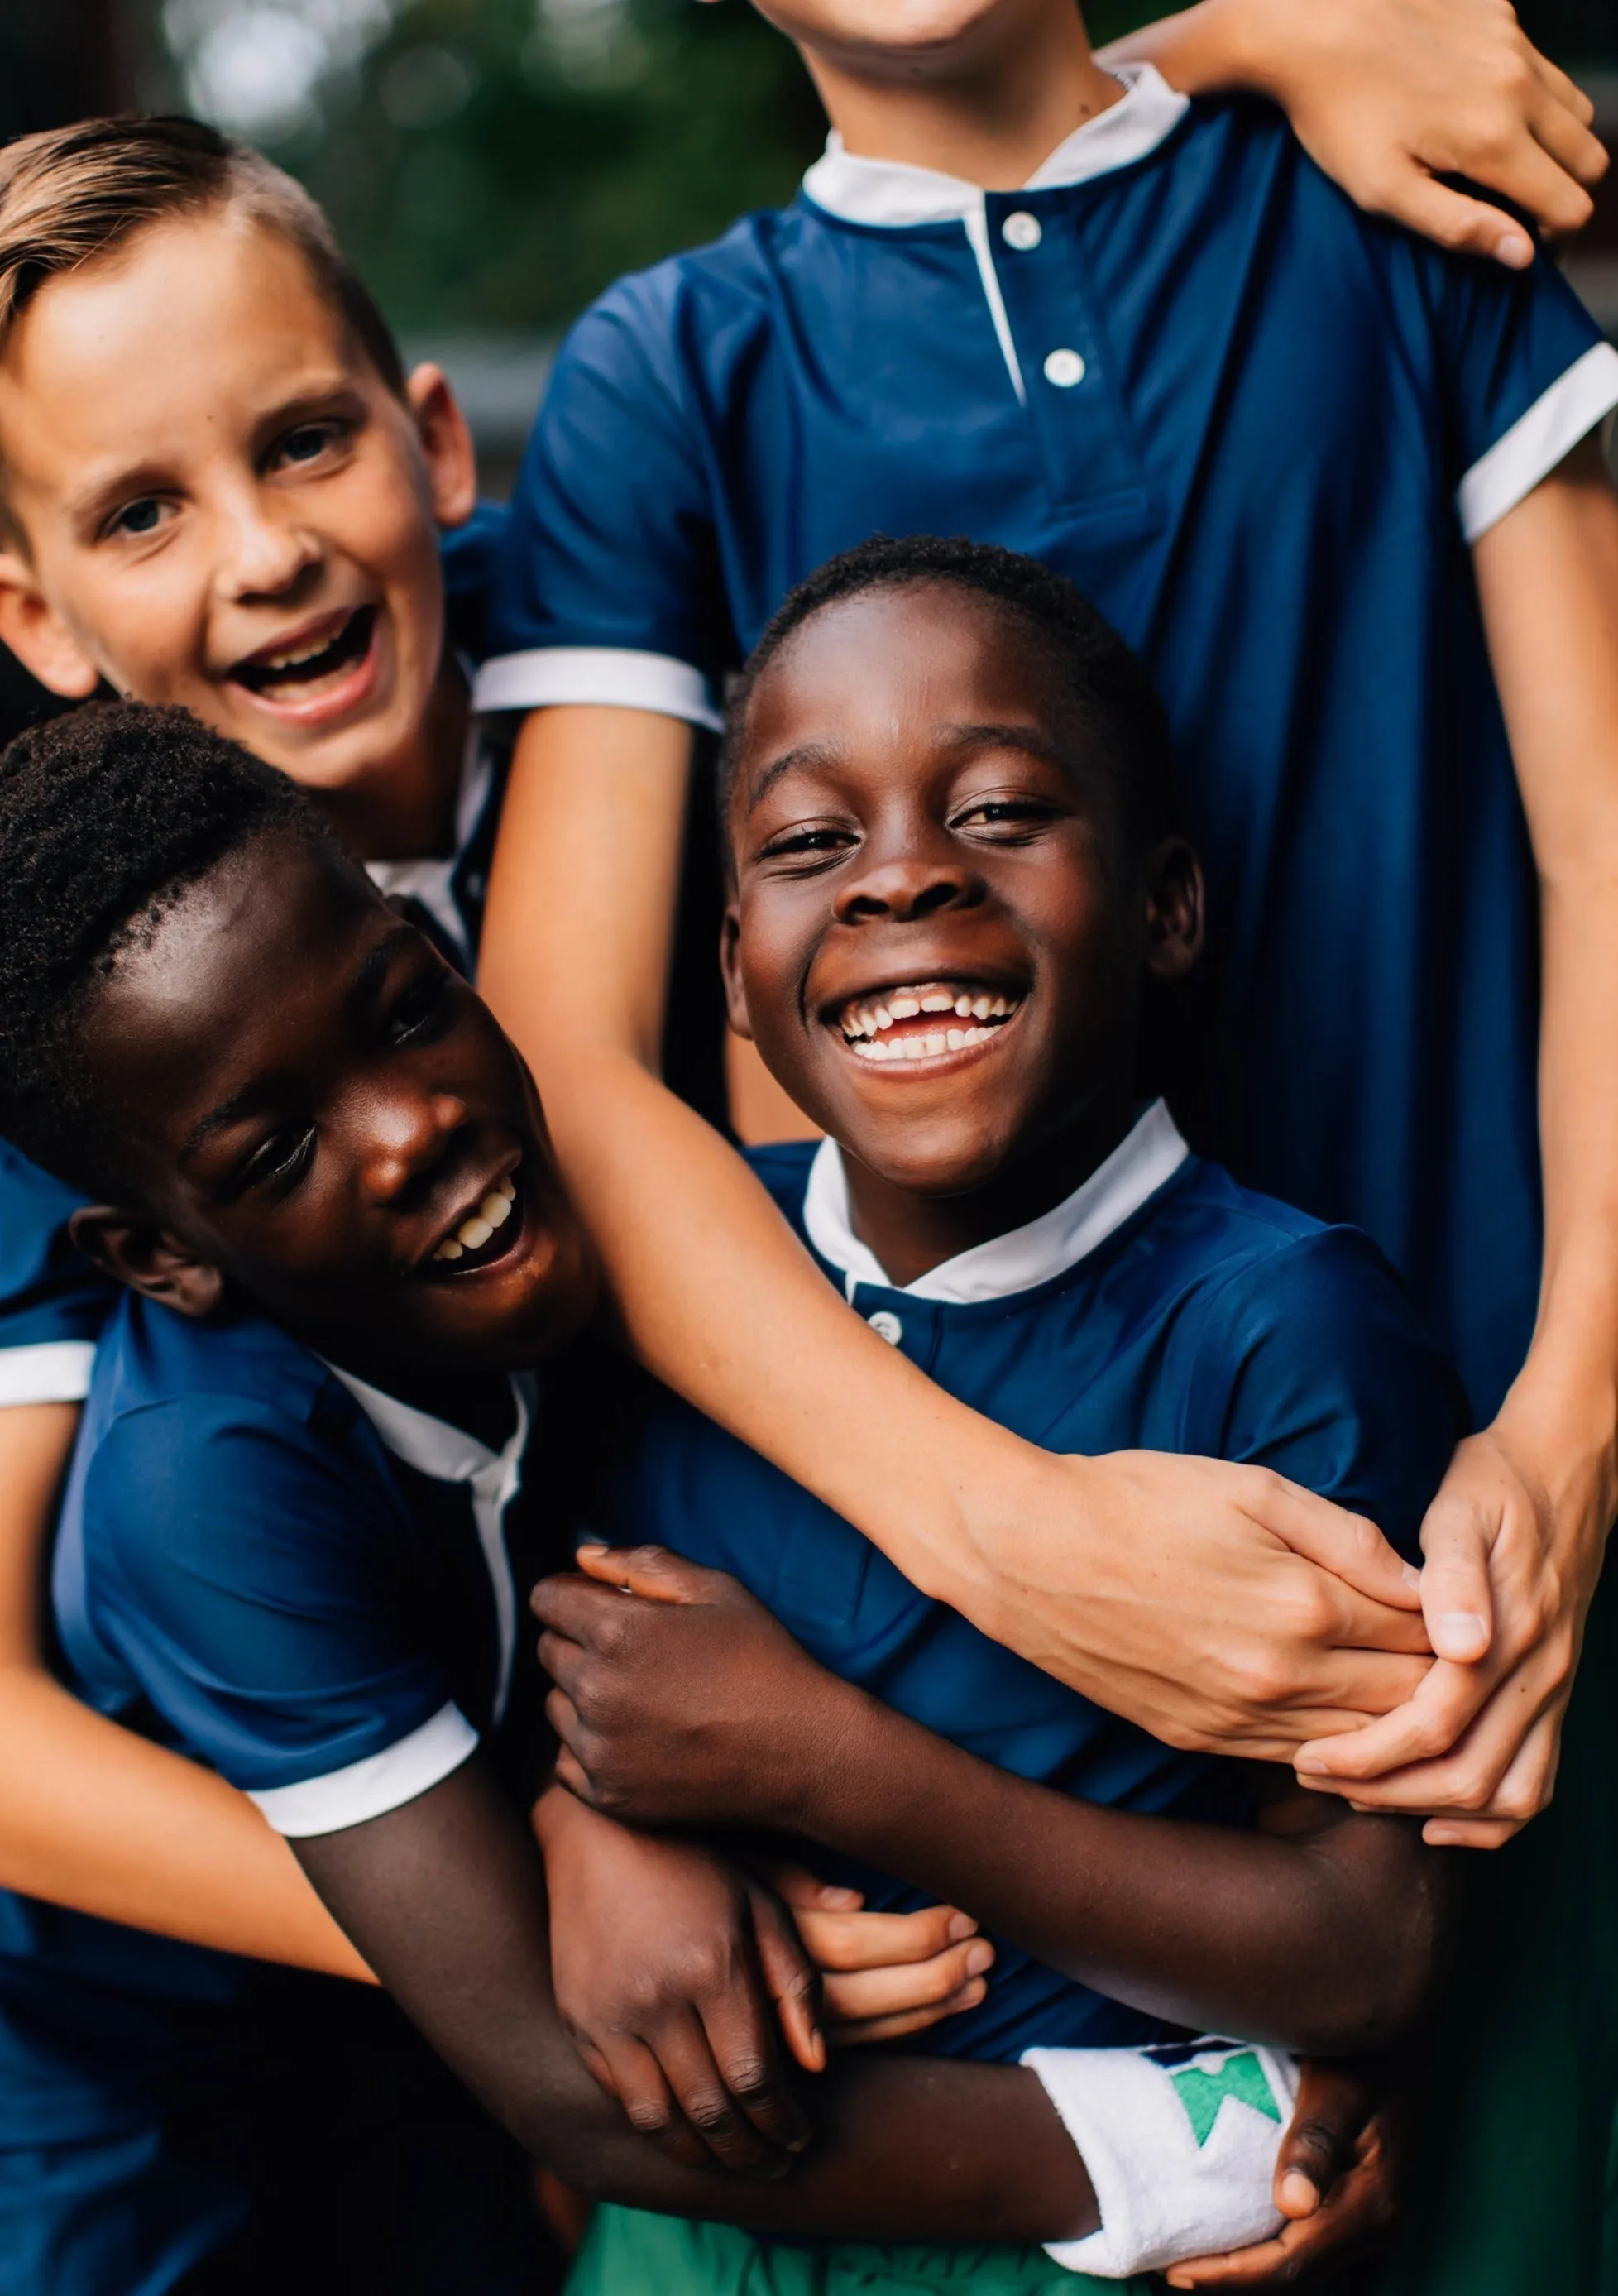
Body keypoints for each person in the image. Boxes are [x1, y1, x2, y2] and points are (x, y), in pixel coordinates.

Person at [469, 0, 1618, 2279]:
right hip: (940, 1676)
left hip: (1475, 1635)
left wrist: (1570, 1432)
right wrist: (1011, 1540)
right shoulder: (672, 365)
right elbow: (570, 1060)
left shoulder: (1383, 215)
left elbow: (1606, 847)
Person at [0, 697, 1441, 2291]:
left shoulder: (582, 1226)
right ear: (161, 1256)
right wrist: (1205, 2143)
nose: (413, 1130)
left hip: (419, 2029)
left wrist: (579, 1802)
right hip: (106, 2066)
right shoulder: (210, 1489)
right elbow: (566, 2079)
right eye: (278, 1154)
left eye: (408, 1012)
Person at [0, 126, 980, 2295]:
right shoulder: (62, 1016)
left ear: (435, 439)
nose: (260, 556)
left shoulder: (619, 675)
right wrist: (533, 1852)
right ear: (29, 613)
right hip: (141, 2024)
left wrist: (1281, 28)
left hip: (545, 1800)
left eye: (304, 442)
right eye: (140, 511)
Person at [524, 534, 1467, 2292]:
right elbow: (575, 1700)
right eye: (814, 842)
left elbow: (1366, 1950)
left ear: (1169, 904)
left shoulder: (1285, 1330)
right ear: (734, 968)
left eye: (1001, 810)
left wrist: (833, 1762)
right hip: (682, 2247)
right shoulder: (665, 1291)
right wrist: (591, 1834)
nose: (898, 880)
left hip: (1071, 2244)